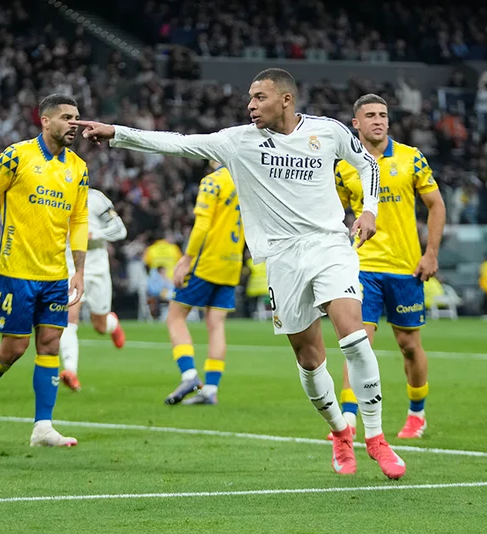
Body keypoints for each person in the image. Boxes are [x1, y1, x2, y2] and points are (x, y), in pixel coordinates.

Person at [72, 68, 406, 479]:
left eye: (259, 97)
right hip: (281, 258)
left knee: (353, 335)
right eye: (250, 97)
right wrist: (118, 133)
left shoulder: (329, 132)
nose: (250, 105)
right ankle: (339, 431)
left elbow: (368, 163)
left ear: (286, 99)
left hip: (328, 245)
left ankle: (375, 438)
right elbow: (178, 144)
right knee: (309, 357)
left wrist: (369, 208)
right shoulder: (237, 141)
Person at [0, 94, 89, 447]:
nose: (74, 124)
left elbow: (79, 220)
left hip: (56, 274)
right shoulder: (17, 155)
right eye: (66, 117)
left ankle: (43, 427)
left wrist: (79, 269)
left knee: (50, 343)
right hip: (16, 270)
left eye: (76, 117)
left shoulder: (78, 168)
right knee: (13, 349)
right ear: (45, 121)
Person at [330, 94, 446, 441]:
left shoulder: (411, 158)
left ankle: (416, 413)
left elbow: (436, 205)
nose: (378, 120)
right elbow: (333, 216)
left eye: (383, 115)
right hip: (362, 268)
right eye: (370, 115)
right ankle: (349, 419)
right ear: (356, 124)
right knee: (356, 342)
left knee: (409, 344)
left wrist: (431, 254)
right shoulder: (344, 166)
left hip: (406, 268)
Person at [165, 162, 244, 406]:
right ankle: (210, 390)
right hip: (233, 261)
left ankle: (189, 376)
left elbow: (201, 225)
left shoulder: (213, 181)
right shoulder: (246, 179)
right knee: (216, 324)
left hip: (206, 260)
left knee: (175, 317)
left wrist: (186, 259)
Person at [60, 187, 128, 392]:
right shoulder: (52, 194)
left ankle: (111, 323)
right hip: (69, 265)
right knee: (69, 317)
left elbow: (120, 229)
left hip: (97, 267)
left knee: (99, 325)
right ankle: (70, 370)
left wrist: (92, 233)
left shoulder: (96, 199)